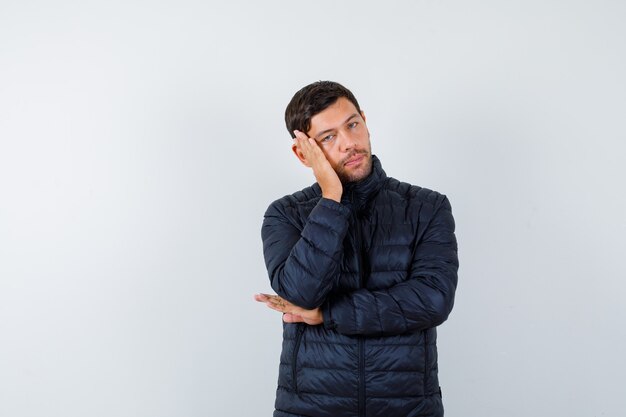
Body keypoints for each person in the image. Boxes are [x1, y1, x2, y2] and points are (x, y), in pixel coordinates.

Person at [254, 81, 459, 417]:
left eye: (352, 125)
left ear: (364, 121)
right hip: (310, 409)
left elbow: (432, 300)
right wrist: (331, 198)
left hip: (407, 408)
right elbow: (302, 294)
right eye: (328, 137)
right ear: (303, 153)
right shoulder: (285, 214)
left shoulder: (427, 207)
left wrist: (328, 314)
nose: (349, 143)